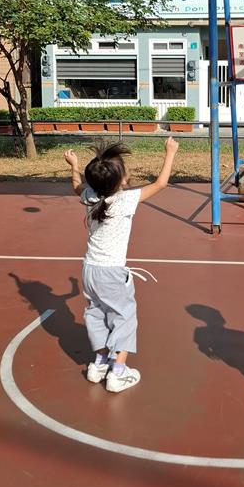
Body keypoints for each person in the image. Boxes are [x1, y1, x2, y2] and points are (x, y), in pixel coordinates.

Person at [64, 137, 179, 393]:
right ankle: (118, 371)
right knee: (124, 317)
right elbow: (161, 183)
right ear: (121, 181)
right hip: (112, 273)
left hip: (90, 270)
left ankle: (99, 364)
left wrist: (74, 165)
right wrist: (170, 152)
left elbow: (76, 186)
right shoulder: (125, 200)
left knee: (96, 314)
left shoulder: (90, 196)